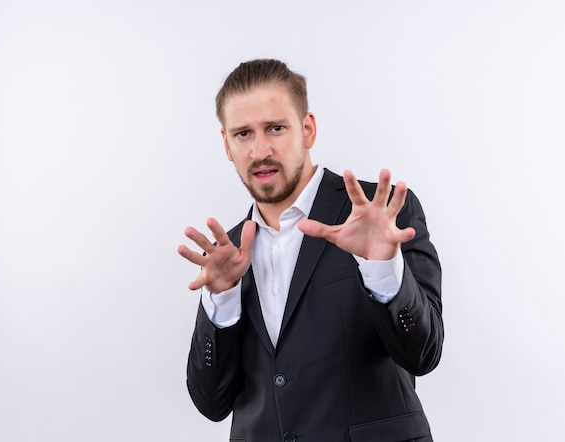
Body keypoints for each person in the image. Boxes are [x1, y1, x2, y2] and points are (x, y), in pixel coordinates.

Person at [178, 59, 443, 442]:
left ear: (307, 129)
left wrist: (383, 267)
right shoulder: (229, 254)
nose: (260, 150)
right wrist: (220, 302)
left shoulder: (379, 215)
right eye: (243, 134)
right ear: (226, 145)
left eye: (275, 128)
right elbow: (211, 403)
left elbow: (424, 353)